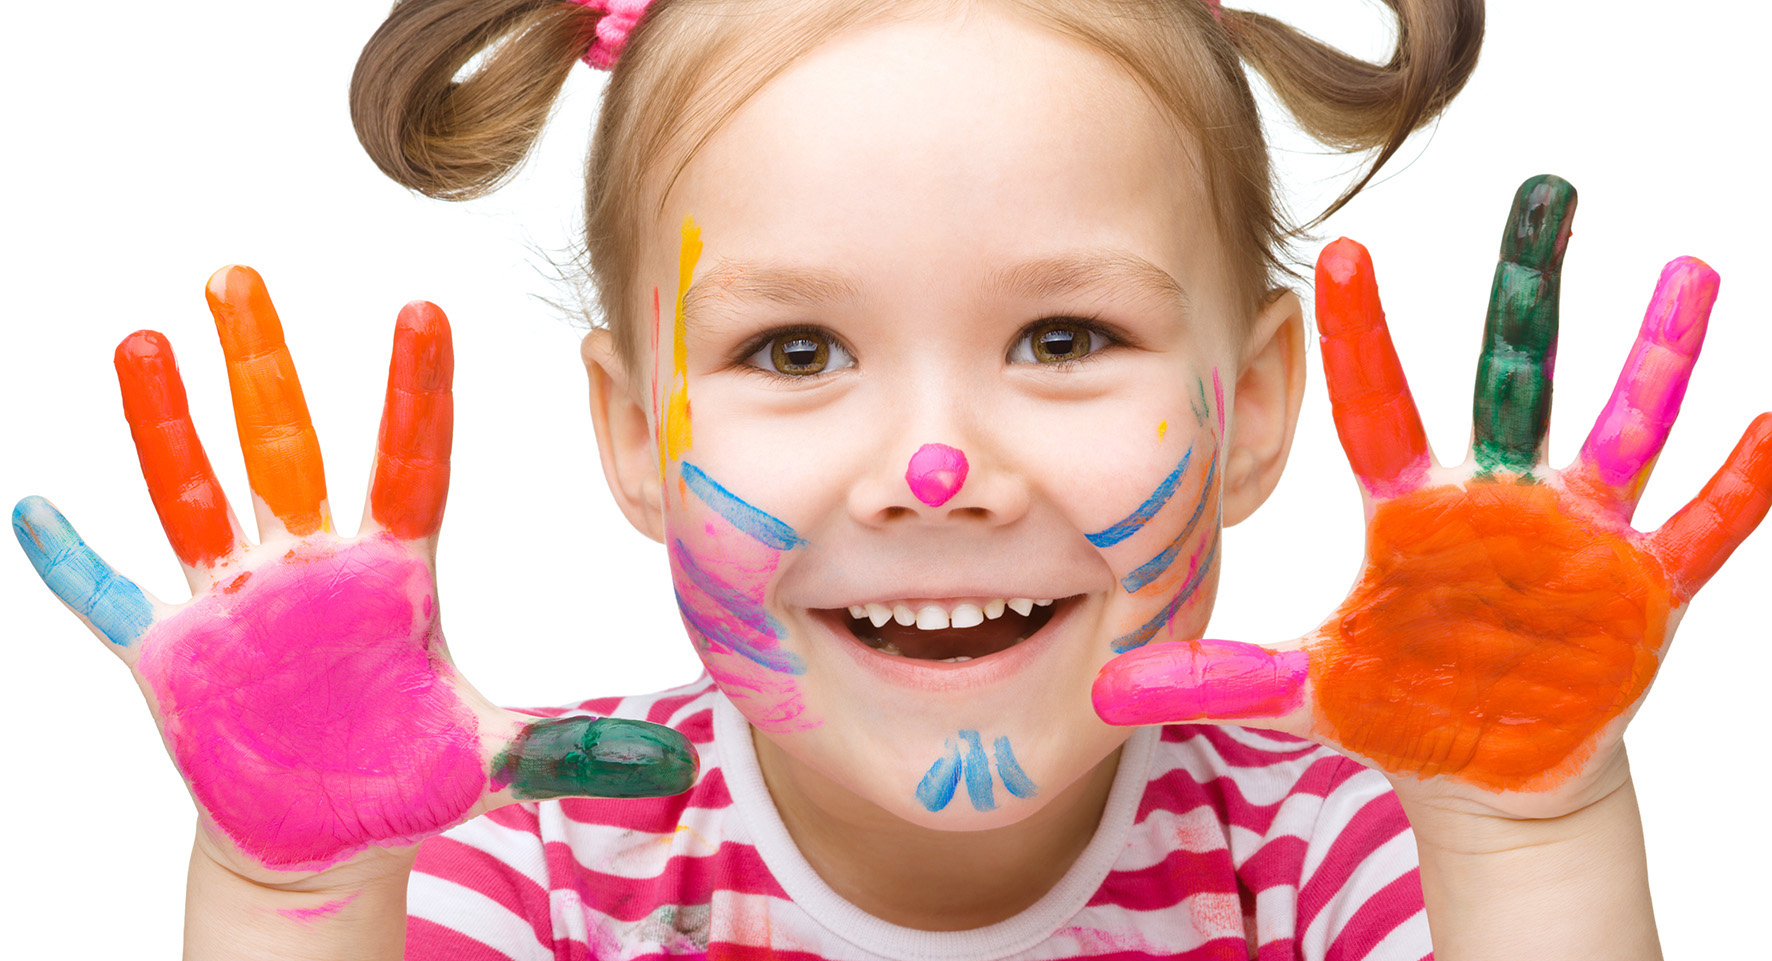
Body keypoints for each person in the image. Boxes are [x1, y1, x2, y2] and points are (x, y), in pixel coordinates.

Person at [10, 0, 1771, 958]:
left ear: (1247, 412)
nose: (942, 466)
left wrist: (1530, 823)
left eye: (1066, 336)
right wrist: (289, 894)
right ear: (634, 433)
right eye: (795, 351)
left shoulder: (1338, 851)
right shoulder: (538, 864)